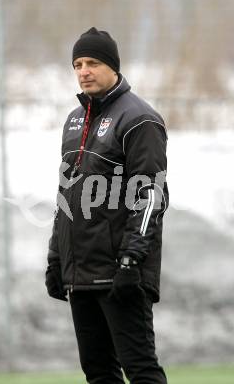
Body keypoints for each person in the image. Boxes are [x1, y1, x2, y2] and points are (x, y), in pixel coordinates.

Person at [45, 27, 169, 384]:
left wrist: (132, 259)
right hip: (80, 273)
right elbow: (67, 196)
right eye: (78, 64)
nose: (84, 70)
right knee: (98, 373)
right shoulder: (73, 120)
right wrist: (57, 257)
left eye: (93, 62)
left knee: (141, 370)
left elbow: (151, 195)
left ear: (113, 67)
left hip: (120, 271)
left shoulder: (139, 119)